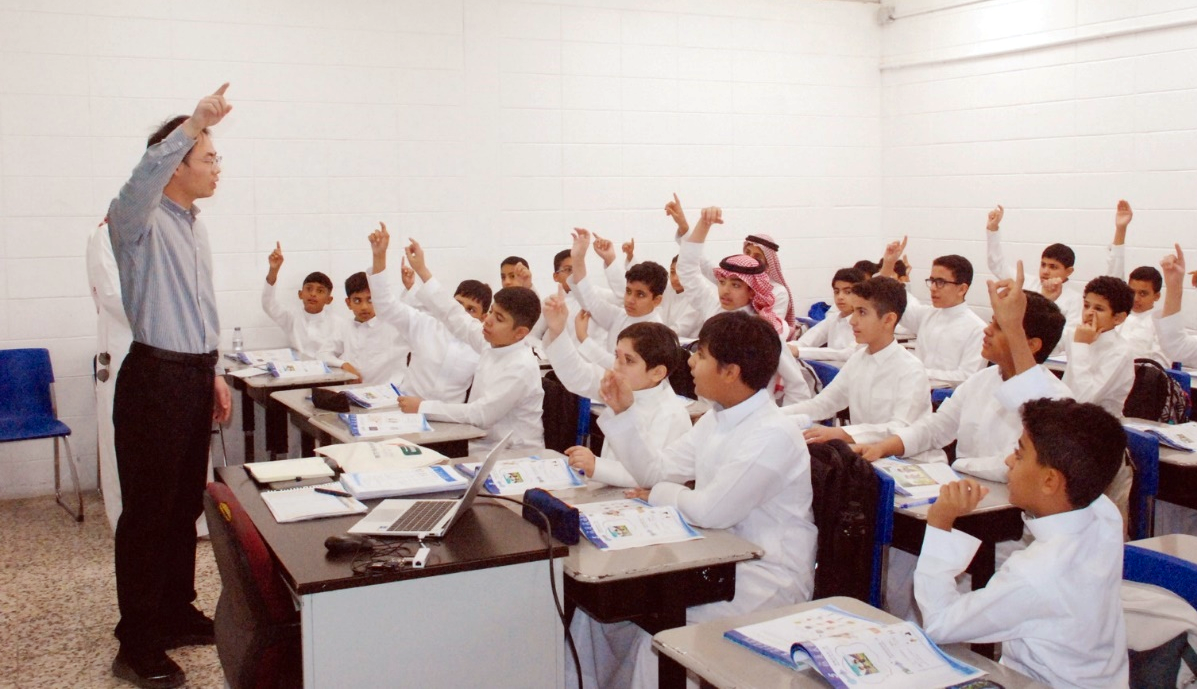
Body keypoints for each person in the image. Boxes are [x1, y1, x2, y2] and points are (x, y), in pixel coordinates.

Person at [569, 311, 817, 689]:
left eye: (700, 356)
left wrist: (662, 494)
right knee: (598, 612)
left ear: (730, 372)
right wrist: (623, 413)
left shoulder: (772, 434)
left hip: (763, 576)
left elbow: (711, 511)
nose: (690, 363)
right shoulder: (719, 418)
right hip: (712, 556)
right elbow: (656, 470)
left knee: (660, 640)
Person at [106, 84, 234, 689]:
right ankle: (137, 642)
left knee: (184, 508)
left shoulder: (194, 227)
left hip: (191, 375)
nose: (217, 167)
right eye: (207, 157)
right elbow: (136, 185)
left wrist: (214, 372)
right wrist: (192, 123)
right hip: (154, 380)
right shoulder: (140, 220)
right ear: (176, 163)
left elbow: (201, 308)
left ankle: (175, 611)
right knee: (149, 515)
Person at [914, 398, 1129, 688]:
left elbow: (940, 623)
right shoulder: (1104, 514)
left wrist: (940, 522)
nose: (1008, 461)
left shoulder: (1036, 575)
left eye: (1019, 454)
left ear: (1050, 481)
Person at [392, 230, 544, 453]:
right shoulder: (491, 342)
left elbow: (481, 414)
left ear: (520, 333)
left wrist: (423, 407)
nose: (488, 321)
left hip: (514, 455)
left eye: (499, 318)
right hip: (479, 444)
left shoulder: (520, 366)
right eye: (491, 312)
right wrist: (422, 270)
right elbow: (453, 314)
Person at [540, 286, 691, 487]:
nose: (617, 366)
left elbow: (651, 475)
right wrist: (558, 331)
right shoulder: (621, 385)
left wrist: (596, 466)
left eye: (629, 361)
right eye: (617, 356)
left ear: (657, 372)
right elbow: (577, 374)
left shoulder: (669, 414)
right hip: (610, 491)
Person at [674, 203, 811, 403]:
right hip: (711, 410)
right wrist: (703, 224)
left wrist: (780, 418)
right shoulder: (714, 306)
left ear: (752, 291)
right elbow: (687, 268)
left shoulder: (763, 330)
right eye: (722, 282)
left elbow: (797, 387)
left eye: (736, 285)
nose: (725, 290)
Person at [781, 277, 935, 451]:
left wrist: (842, 433)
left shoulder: (910, 369)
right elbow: (823, 404)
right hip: (865, 453)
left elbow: (900, 429)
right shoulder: (858, 359)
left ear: (888, 320)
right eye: (854, 311)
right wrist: (775, 414)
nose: (852, 321)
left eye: (862, 312)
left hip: (908, 459)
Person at [365, 223, 481, 404]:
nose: (461, 313)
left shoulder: (483, 345)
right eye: (458, 304)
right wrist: (379, 256)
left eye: (471, 310)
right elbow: (384, 305)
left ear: (483, 317)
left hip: (450, 418)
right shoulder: (424, 324)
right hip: (407, 412)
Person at [878, 239, 986, 384]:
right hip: (914, 387)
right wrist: (888, 265)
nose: (933, 288)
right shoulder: (927, 315)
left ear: (962, 289)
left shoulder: (978, 329)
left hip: (947, 395)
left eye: (940, 282)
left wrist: (916, 371)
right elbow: (890, 297)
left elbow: (968, 377)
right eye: (932, 281)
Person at [87, 218, 134, 533]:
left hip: (170, 358)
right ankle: (125, 523)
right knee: (123, 446)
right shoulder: (106, 234)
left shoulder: (175, 229)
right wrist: (166, 315)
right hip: (123, 353)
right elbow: (113, 296)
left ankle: (189, 524)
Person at [986, 204, 1082, 349]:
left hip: (1050, 355)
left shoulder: (1075, 299)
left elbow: (1067, 338)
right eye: (1043, 265)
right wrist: (992, 230)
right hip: (1014, 347)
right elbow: (996, 264)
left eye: (1053, 267)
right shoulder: (1026, 282)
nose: (1045, 271)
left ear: (1069, 271)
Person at [568, 228, 667, 368]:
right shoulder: (621, 316)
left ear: (657, 300)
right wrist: (578, 258)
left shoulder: (656, 332)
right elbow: (590, 301)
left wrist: (584, 338)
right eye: (628, 291)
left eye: (640, 294)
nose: (630, 300)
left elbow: (623, 367)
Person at [1106, 200, 1170, 365]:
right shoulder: (1117, 313)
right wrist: (1121, 229)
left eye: (1143, 293)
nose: (1135, 298)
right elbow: (1114, 273)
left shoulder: (1161, 324)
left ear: (1157, 296)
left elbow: (1161, 366)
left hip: (1141, 376)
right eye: (1132, 291)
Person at [260, 241, 345, 361]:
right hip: (297, 368)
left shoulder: (339, 324)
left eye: (320, 291)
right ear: (300, 294)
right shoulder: (291, 317)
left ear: (329, 300)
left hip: (328, 370)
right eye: (309, 289)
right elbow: (268, 304)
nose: (313, 294)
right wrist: (273, 271)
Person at [1063, 276, 1135, 416]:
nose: (1089, 313)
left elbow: (1085, 399)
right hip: (1066, 415)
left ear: (1118, 318)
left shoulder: (1120, 351)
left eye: (1099, 309)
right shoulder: (1076, 333)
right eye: (1086, 306)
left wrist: (1081, 346)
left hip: (1097, 423)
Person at [329, 271, 409, 385]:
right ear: (348, 303)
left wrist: (409, 288)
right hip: (352, 391)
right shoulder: (344, 327)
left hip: (389, 391)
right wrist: (343, 365)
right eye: (357, 300)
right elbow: (323, 354)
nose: (364, 307)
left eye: (370, 300)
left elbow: (414, 315)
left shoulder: (393, 325)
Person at [790, 267, 867, 363]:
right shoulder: (833, 319)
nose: (840, 297)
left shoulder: (866, 321)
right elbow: (805, 342)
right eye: (836, 292)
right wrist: (785, 348)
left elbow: (847, 354)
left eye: (848, 292)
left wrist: (799, 352)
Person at [743, 233, 796, 334]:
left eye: (757, 257)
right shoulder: (737, 282)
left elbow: (771, 330)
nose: (750, 259)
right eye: (747, 252)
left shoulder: (778, 291)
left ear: (767, 263)